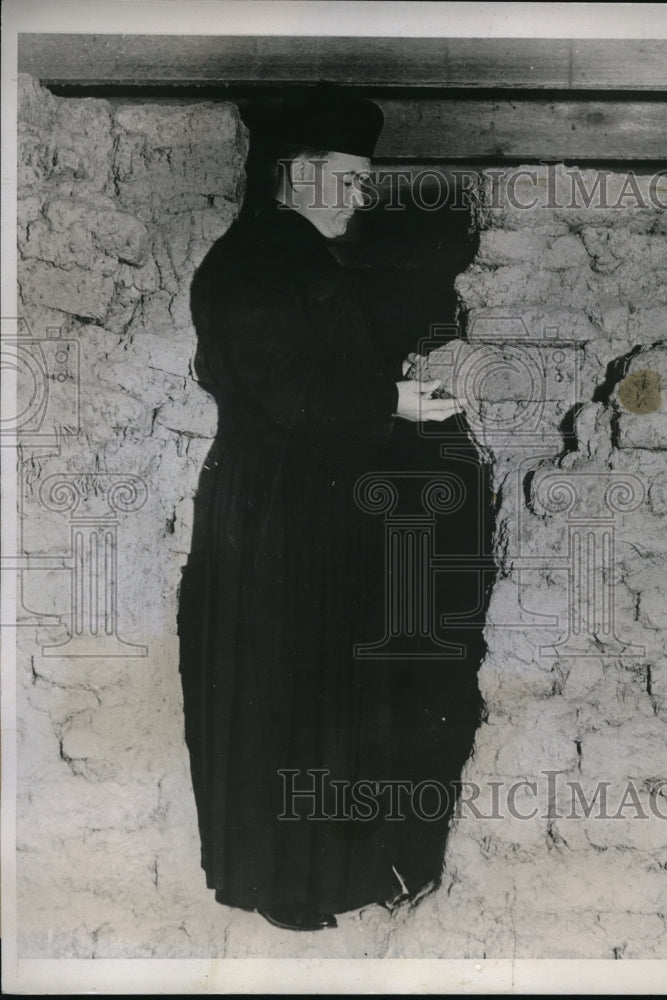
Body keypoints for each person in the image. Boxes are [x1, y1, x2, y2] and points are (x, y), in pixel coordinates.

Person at [177, 87, 475, 933]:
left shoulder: (291, 253)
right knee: (283, 690)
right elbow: (281, 386)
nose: (358, 197)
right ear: (290, 172)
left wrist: (393, 390)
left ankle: (322, 873)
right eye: (344, 179)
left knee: (320, 689)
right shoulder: (257, 258)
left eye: (362, 181)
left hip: (307, 504)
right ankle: (281, 882)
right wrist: (393, 403)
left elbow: (316, 372)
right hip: (274, 510)